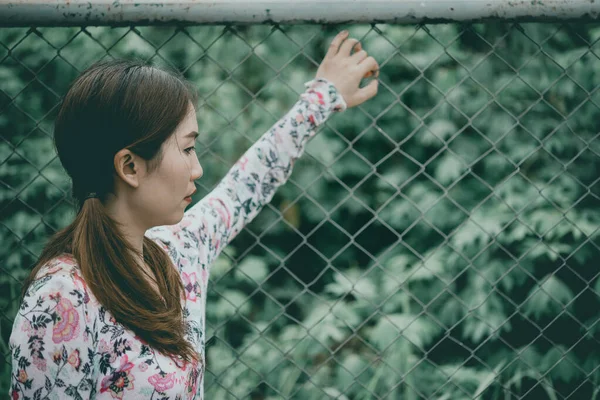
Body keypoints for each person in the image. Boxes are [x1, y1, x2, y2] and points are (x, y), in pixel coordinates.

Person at [8, 30, 379, 399]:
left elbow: (246, 185)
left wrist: (323, 97)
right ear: (129, 167)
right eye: (186, 149)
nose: (197, 169)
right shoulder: (61, 299)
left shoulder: (177, 251)